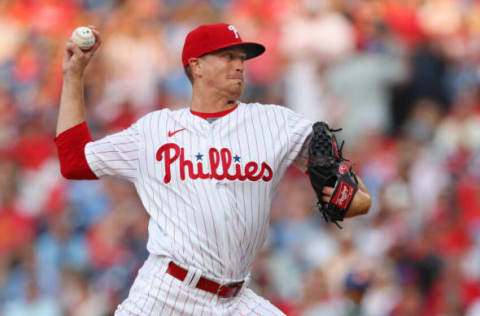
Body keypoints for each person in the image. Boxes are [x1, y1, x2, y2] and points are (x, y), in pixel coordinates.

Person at [55, 23, 372, 315]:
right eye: (227, 56)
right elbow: (74, 161)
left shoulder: (276, 123)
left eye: (242, 58)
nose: (238, 64)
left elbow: (359, 199)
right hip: (167, 292)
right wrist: (73, 76)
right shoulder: (153, 130)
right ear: (197, 65)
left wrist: (349, 198)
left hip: (235, 298)